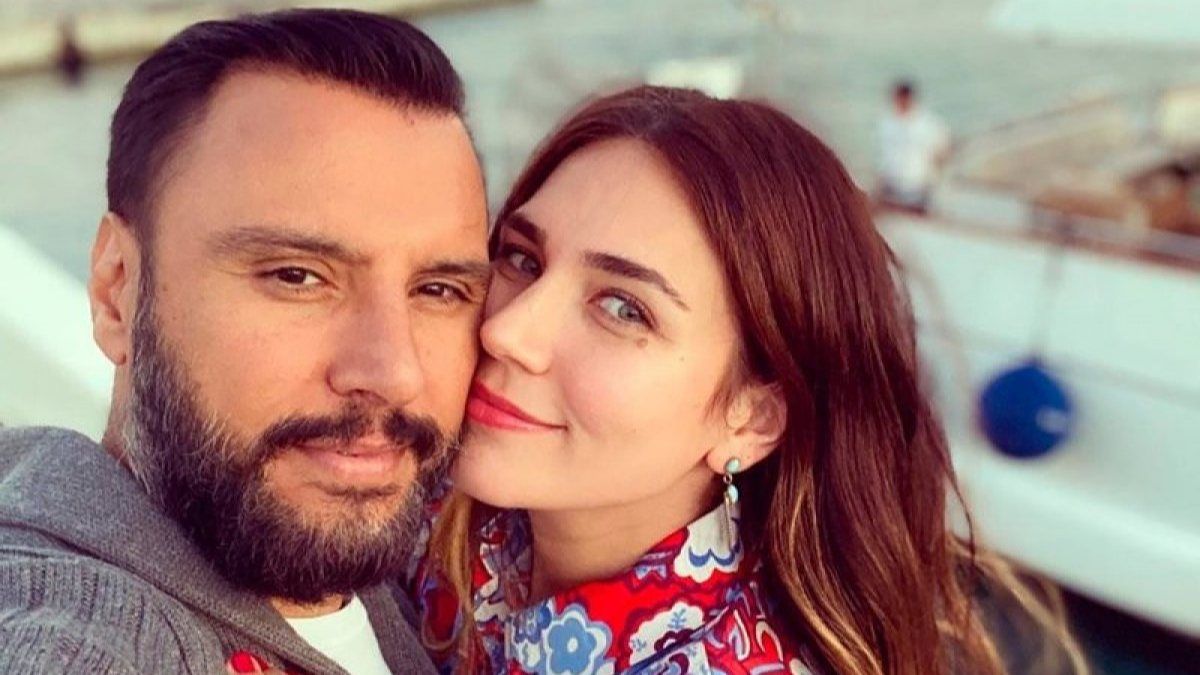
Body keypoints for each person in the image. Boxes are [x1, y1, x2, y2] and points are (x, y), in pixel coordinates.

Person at [405, 86, 1087, 675]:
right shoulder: (434, 513)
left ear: (751, 419)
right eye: (522, 258)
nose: (507, 330)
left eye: (624, 308)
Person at [0, 9, 489, 674]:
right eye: (297, 276)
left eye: (438, 289)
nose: (394, 372)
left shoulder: (428, 584)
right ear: (117, 291)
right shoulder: (77, 636)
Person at [875, 79, 950, 213]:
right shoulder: (887, 123)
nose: (900, 103)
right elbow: (883, 155)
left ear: (910, 99)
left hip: (918, 186)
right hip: (892, 184)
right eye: (898, 100)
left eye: (903, 99)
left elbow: (944, 152)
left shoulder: (929, 124)